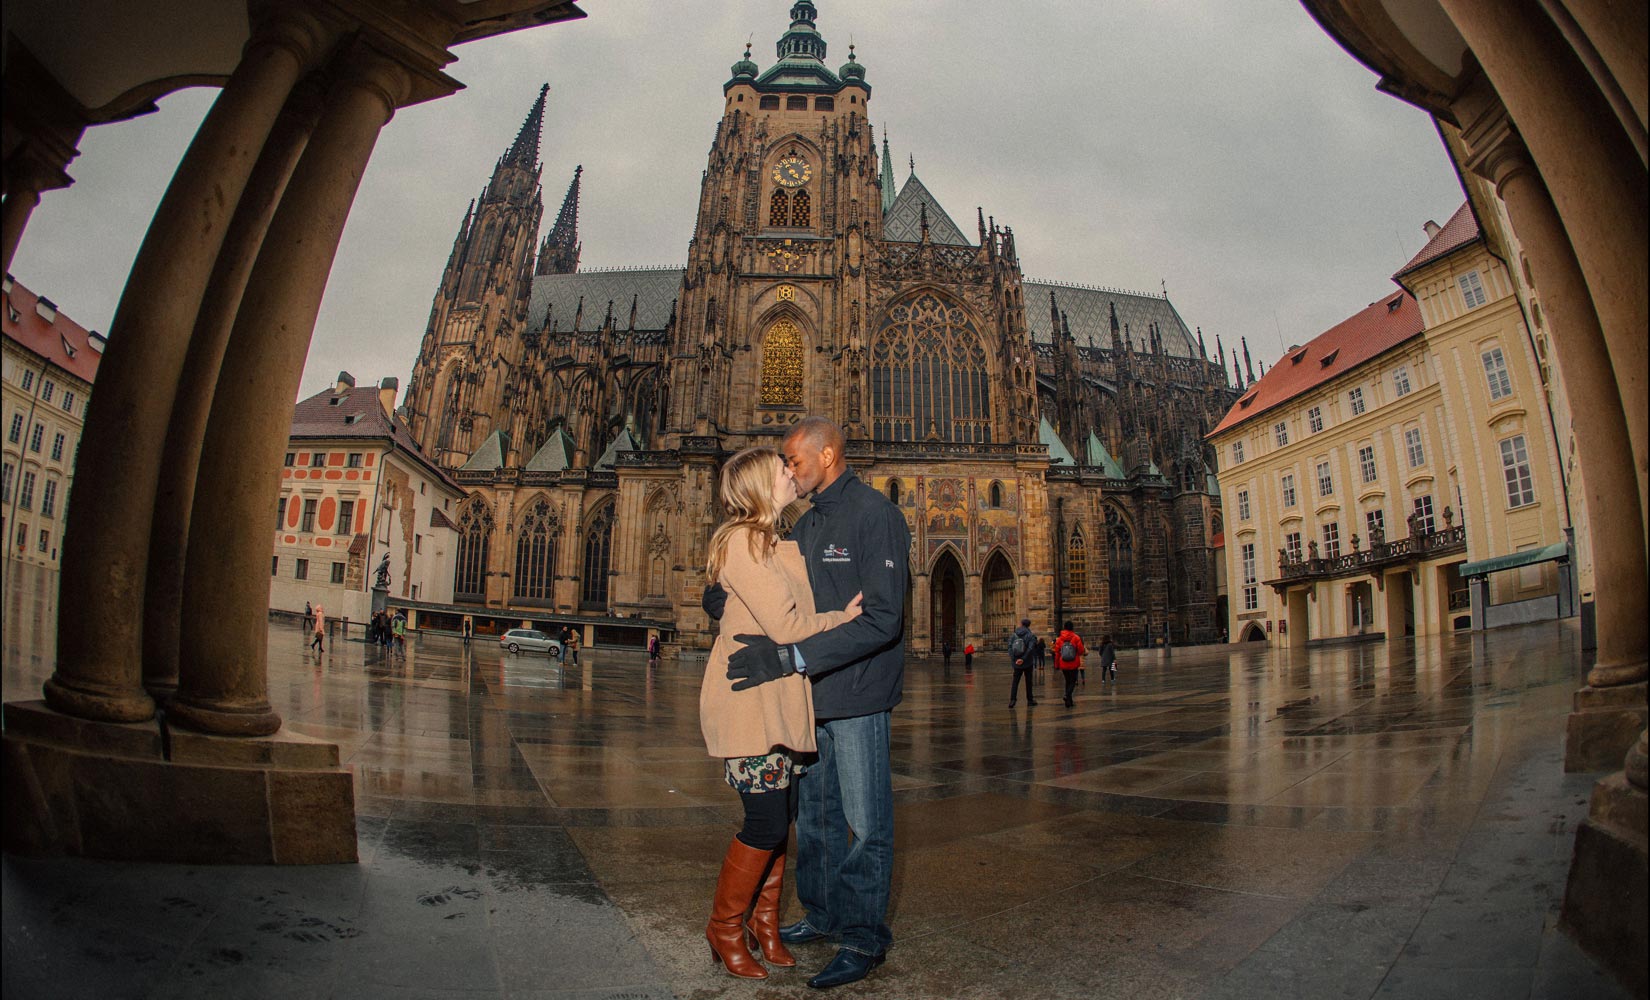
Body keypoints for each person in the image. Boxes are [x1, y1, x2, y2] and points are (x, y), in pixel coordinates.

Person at [708, 416, 911, 990]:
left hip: (859, 692)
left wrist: (793, 658)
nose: (789, 471)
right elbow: (776, 592)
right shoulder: (804, 523)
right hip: (809, 697)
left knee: (866, 823)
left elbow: (881, 620)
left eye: (794, 461)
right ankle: (821, 915)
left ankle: (864, 937)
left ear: (825, 455)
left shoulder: (876, 516)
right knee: (817, 821)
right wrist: (722, 595)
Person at [698, 445, 864, 980]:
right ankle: (725, 927)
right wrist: (846, 619)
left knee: (781, 818)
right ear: (757, 487)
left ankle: (763, 925)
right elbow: (791, 625)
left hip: (780, 698)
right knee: (765, 822)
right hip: (752, 702)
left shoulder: (773, 540)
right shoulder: (746, 540)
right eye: (781, 469)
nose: (791, 472)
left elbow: (791, 607)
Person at [1054, 621, 1086, 707]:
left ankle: (1069, 702)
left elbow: (1057, 653)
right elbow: (1081, 651)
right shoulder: (1076, 638)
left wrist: (1056, 665)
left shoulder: (1060, 639)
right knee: (1073, 681)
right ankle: (1067, 695)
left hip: (1063, 663)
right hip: (1073, 663)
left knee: (1067, 681)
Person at [1008, 619, 1038, 708]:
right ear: (1029, 625)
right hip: (1027, 662)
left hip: (1017, 662)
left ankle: (1012, 700)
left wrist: (1014, 659)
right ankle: (1030, 700)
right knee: (1028, 681)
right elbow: (1030, 648)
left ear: (1021, 624)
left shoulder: (1014, 635)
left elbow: (1009, 647)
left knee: (1015, 682)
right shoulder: (1030, 635)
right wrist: (1023, 659)